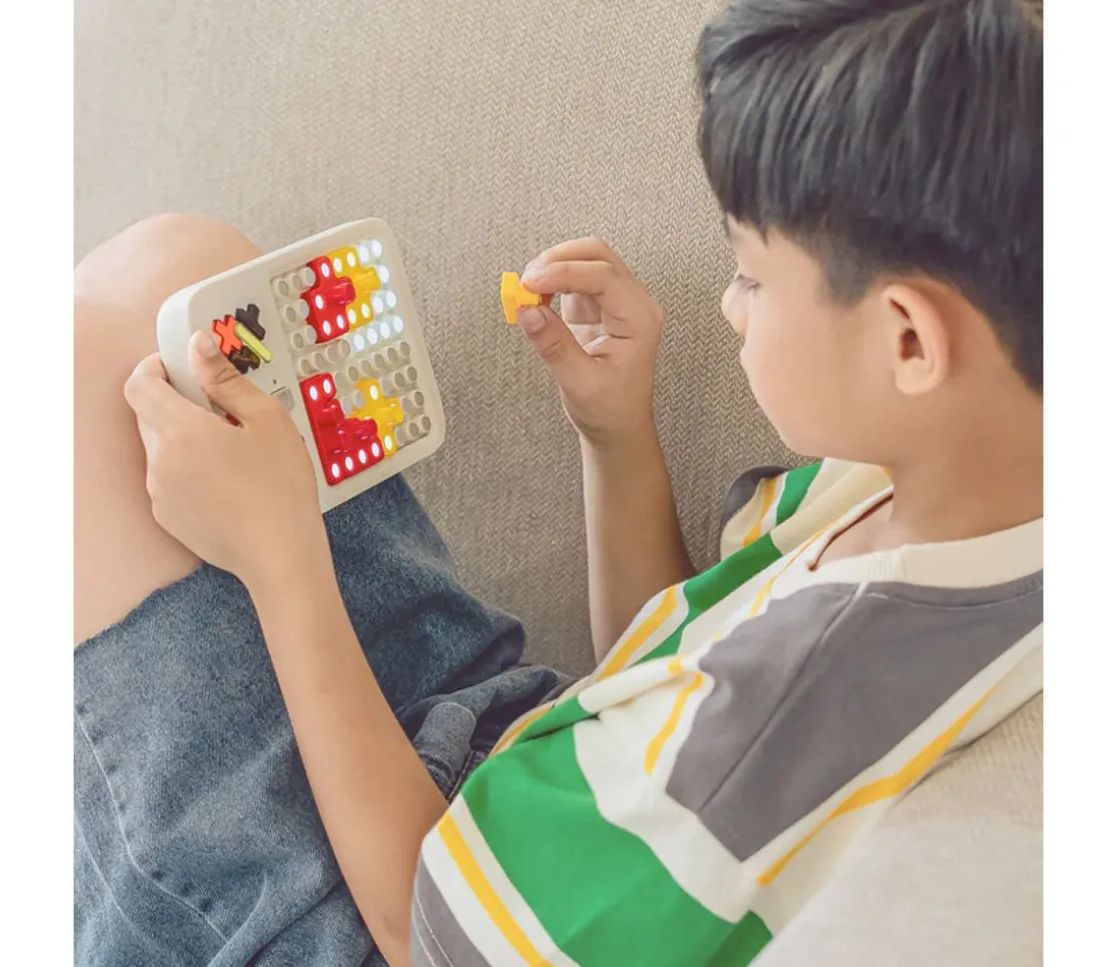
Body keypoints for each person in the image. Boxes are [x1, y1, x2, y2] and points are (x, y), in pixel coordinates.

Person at [74, 0, 1043, 965]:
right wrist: (614, 433)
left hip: (396, 911)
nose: (729, 305)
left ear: (907, 340)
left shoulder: (800, 711)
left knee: (73, 377)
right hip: (500, 779)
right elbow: (661, 675)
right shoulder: (943, 487)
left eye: (751, 274)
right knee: (181, 262)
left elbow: (420, 929)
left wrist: (281, 559)